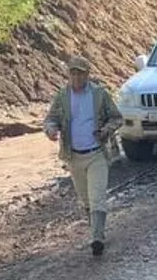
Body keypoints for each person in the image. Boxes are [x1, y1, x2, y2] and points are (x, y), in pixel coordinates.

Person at [43, 55, 124, 256]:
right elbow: (51, 118)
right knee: (86, 200)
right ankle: (95, 229)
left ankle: (97, 237)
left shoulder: (99, 94)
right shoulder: (62, 96)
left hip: (96, 153)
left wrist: (105, 131)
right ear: (68, 74)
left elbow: (116, 118)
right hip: (73, 156)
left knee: (97, 198)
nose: (77, 77)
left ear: (87, 75)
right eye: (73, 73)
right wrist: (51, 129)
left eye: (80, 73)